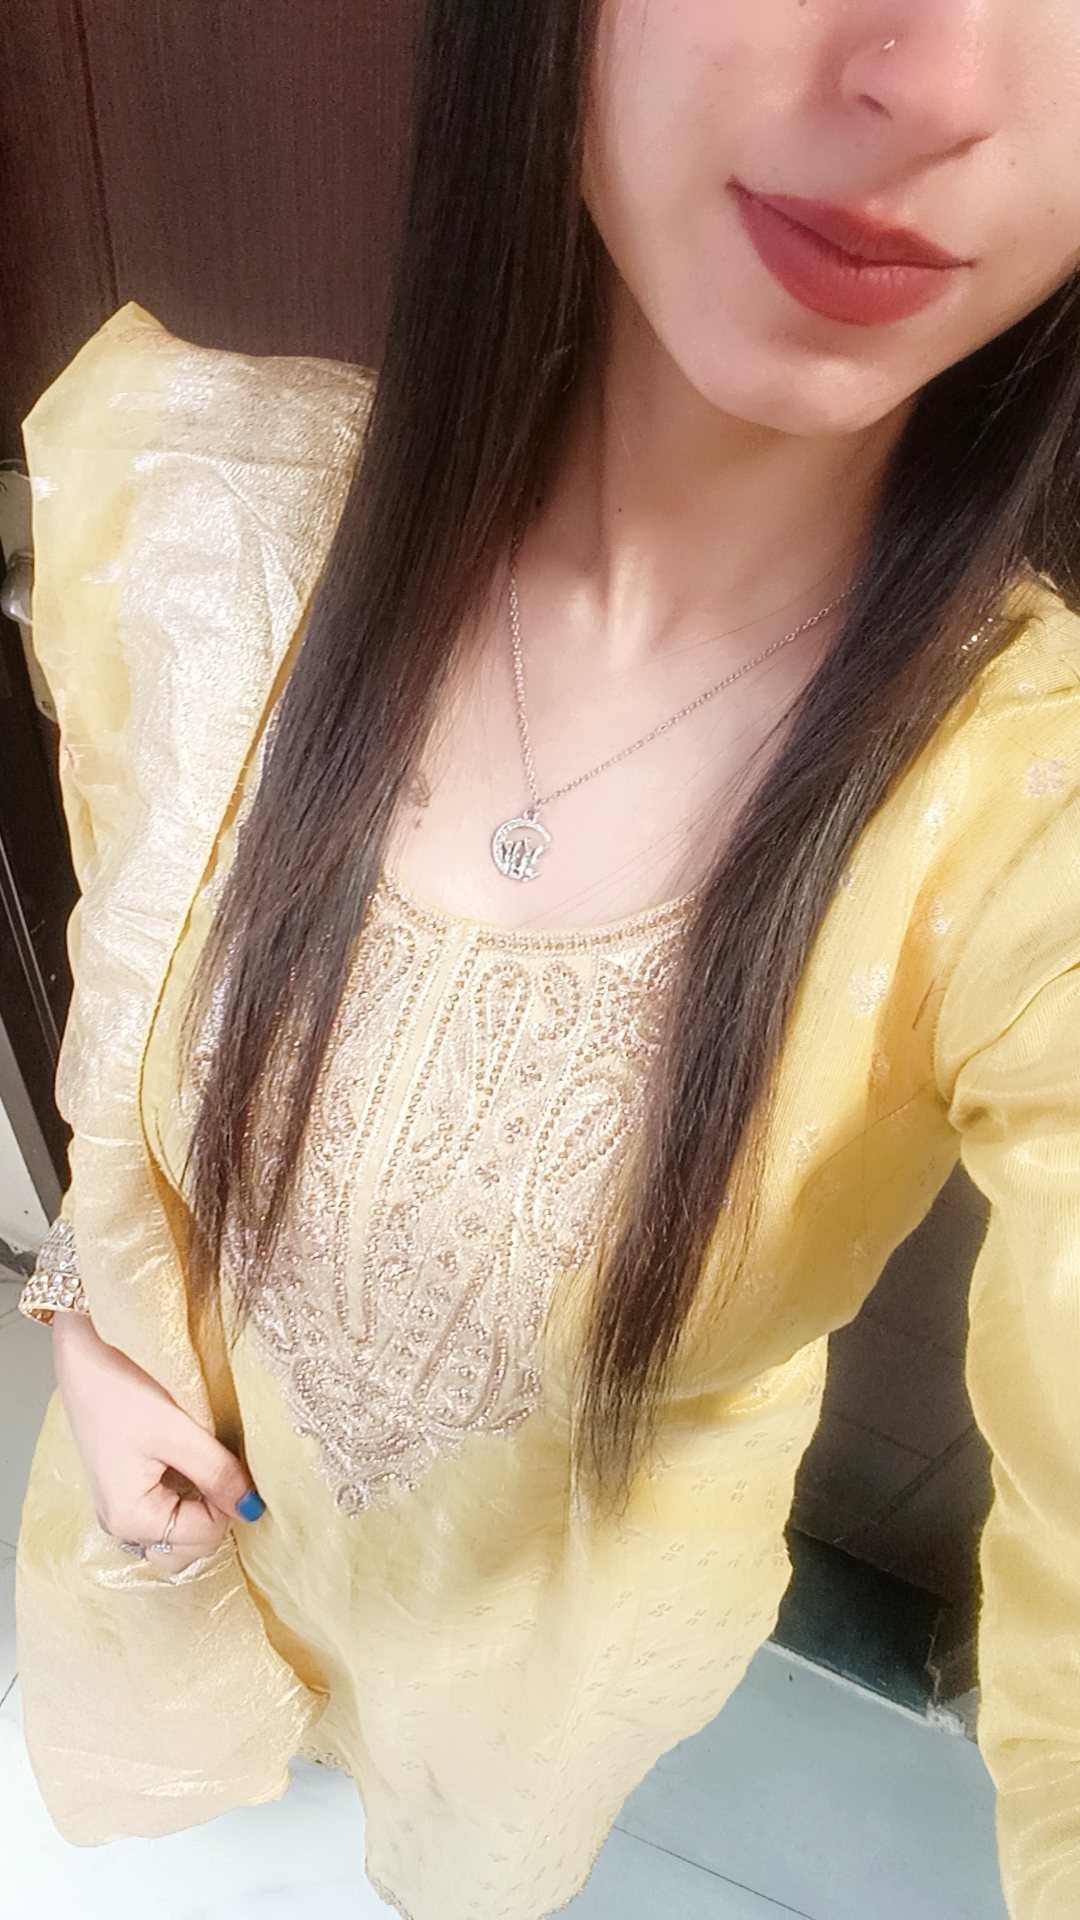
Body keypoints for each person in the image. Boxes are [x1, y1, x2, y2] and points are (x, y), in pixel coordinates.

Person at [14, 1, 1080, 1915]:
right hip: (168, 1519)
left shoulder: (1029, 824)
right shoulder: (191, 516)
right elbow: (120, 1029)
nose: (932, 84)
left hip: (527, 1681)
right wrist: (79, 1337)